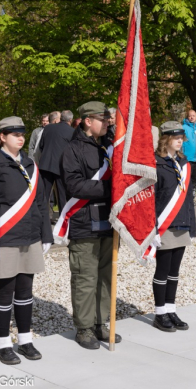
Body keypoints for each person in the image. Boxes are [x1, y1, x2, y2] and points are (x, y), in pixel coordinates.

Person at [0, 116, 53, 365]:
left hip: (29, 237)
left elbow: (41, 202)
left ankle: (25, 339)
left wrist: (46, 234)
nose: (20, 137)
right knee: (5, 293)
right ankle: (2, 344)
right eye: (14, 133)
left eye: (22, 133)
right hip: (5, 238)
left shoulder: (30, 164)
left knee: (25, 291)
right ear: (2, 137)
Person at [60, 101, 122, 350]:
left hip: (109, 221)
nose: (108, 122)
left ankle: (100, 323)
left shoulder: (108, 147)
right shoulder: (72, 149)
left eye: (108, 118)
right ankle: (84, 328)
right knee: (86, 277)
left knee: (106, 276)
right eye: (103, 118)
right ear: (87, 121)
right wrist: (111, 188)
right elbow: (74, 185)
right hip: (85, 222)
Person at [153, 121, 195, 332]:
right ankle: (160, 313)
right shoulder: (156, 163)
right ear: (166, 139)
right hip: (164, 225)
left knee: (174, 272)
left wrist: (192, 228)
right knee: (162, 270)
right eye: (177, 138)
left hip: (182, 223)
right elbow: (150, 200)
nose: (180, 141)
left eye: (182, 139)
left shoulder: (184, 163)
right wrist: (152, 230)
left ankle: (171, 309)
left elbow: (188, 199)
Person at [39, 110, 74, 215]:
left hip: (45, 165)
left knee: (44, 195)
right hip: (61, 167)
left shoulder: (48, 128)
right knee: (62, 195)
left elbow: (41, 146)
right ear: (70, 120)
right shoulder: (71, 131)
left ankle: (41, 219)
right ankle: (62, 221)